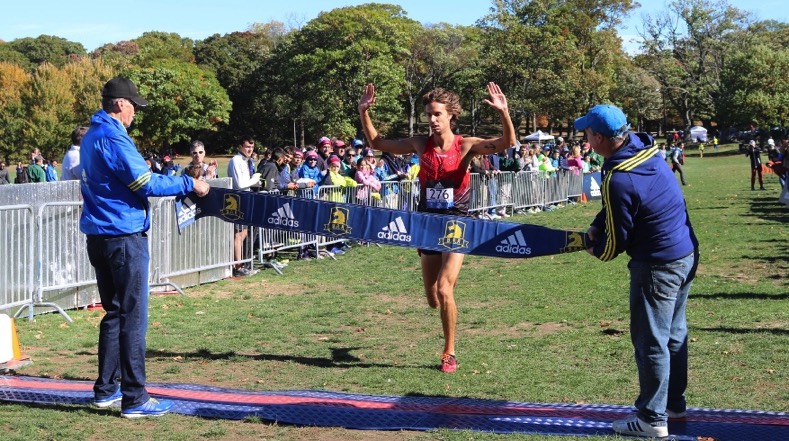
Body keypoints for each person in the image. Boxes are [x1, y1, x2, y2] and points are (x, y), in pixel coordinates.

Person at [359, 82, 516, 373]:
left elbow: (506, 143)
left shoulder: (465, 145)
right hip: (427, 224)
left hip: (457, 223)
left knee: (445, 289)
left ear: (450, 117)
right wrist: (363, 112)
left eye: (437, 114)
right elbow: (377, 144)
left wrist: (504, 113)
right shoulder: (421, 144)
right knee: (432, 298)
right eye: (428, 114)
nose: (431, 120)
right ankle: (443, 303)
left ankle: (449, 352)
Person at [80, 76, 210, 418]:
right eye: (135, 106)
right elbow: (144, 182)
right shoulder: (112, 136)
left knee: (114, 314)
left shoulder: (92, 134)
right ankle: (135, 398)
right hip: (123, 235)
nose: (136, 112)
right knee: (133, 317)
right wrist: (189, 182)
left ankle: (106, 391)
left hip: (100, 235)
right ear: (121, 104)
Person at [576, 104, 698, 439]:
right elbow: (619, 208)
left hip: (657, 264)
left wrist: (595, 248)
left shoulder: (618, 176)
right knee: (673, 334)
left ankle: (651, 418)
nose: (584, 137)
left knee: (651, 341)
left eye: (587, 132)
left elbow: (616, 241)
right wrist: (597, 223)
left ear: (598, 138)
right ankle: (673, 403)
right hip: (684, 252)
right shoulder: (645, 149)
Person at [228, 135, 262, 276]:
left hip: (245, 199)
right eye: (247, 146)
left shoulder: (246, 161)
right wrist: (254, 179)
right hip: (237, 200)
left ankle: (242, 265)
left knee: (244, 233)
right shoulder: (236, 161)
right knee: (239, 234)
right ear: (240, 147)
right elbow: (240, 184)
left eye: (252, 147)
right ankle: (238, 267)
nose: (250, 149)